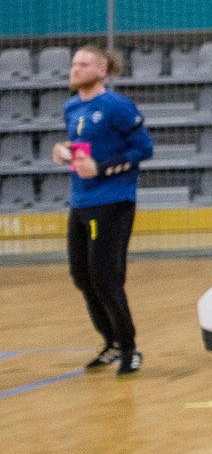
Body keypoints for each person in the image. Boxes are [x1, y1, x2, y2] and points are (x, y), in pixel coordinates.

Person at [52, 44, 154, 377]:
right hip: (80, 201)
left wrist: (103, 168)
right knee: (81, 276)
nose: (76, 69)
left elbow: (144, 149)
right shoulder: (72, 106)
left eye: (84, 64)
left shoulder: (117, 106)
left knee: (106, 277)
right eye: (74, 64)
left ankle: (129, 348)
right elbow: (85, 147)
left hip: (112, 201)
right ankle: (111, 342)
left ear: (102, 70)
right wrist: (65, 151)